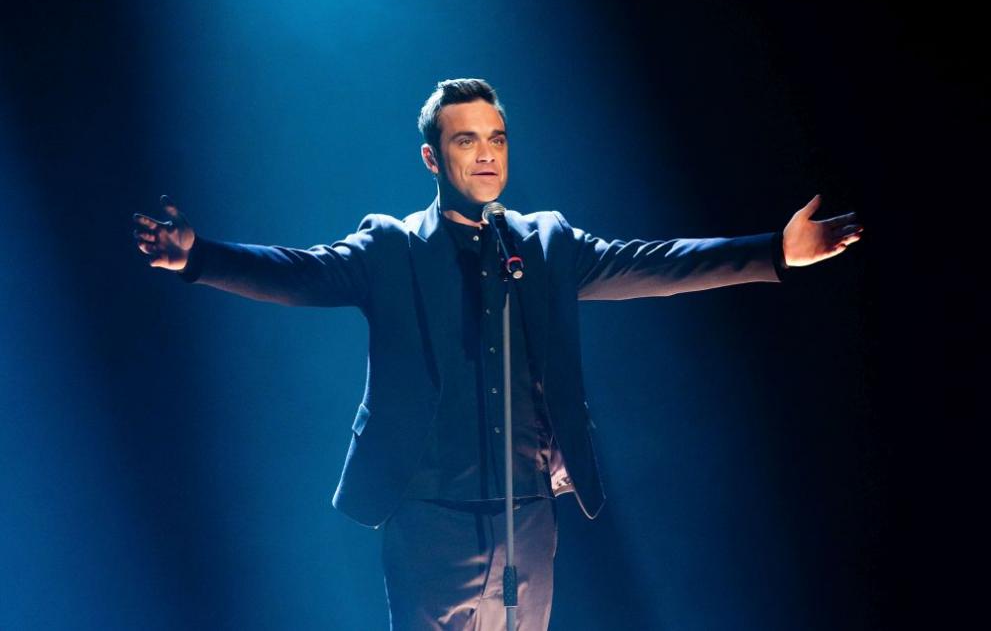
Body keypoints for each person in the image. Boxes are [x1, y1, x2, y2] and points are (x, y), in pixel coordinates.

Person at [132, 78, 863, 630]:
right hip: (430, 519)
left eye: (497, 138)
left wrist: (774, 251)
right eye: (465, 140)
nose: (485, 153)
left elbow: (655, 263)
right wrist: (200, 257)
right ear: (431, 156)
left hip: (527, 516)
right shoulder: (391, 247)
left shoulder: (544, 243)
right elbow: (297, 274)